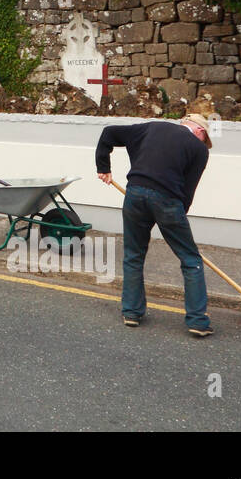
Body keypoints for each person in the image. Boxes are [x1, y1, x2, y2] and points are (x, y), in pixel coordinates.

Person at [95, 114, 213, 336]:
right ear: (200, 132)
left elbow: (109, 132)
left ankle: (131, 312)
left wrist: (103, 167)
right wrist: (177, 218)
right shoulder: (199, 150)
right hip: (168, 201)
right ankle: (197, 321)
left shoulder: (151, 127)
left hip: (135, 194)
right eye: (203, 139)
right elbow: (188, 190)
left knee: (133, 254)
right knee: (190, 259)